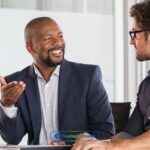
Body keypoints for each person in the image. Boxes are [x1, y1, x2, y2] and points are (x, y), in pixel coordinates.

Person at [0, 17, 115, 145]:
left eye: (60, 36)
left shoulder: (87, 77)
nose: (58, 42)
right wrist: (7, 105)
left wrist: (70, 144)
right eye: (48, 38)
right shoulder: (16, 83)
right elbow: (12, 138)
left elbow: (105, 132)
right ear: (30, 47)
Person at [72, 0, 150, 150]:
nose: (131, 41)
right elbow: (128, 134)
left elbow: (126, 144)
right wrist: (95, 142)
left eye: (135, 33)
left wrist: (116, 147)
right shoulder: (146, 85)